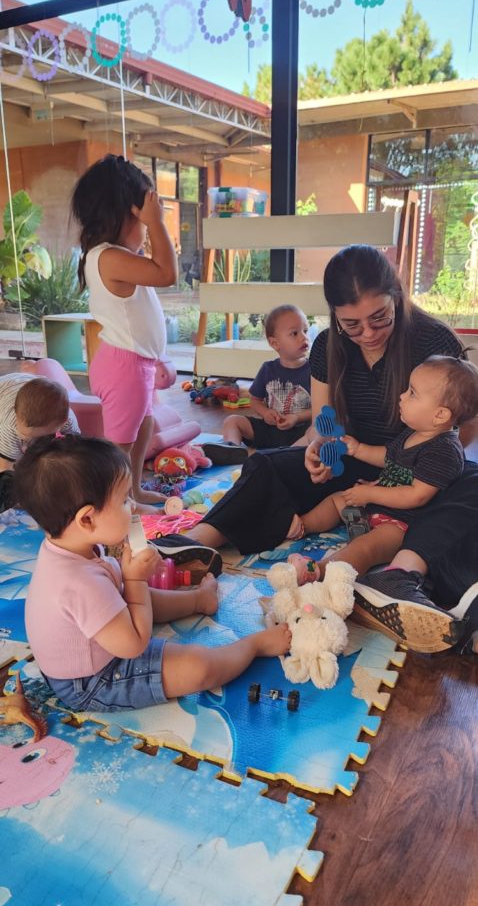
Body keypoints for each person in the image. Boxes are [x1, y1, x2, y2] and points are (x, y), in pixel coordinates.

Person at [185, 245, 478, 653]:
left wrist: (415, 473)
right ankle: (196, 541)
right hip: (356, 459)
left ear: (396, 295)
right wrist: (318, 450)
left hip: (418, 471)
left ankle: (404, 575)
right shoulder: (327, 346)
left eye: (380, 317)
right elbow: (325, 425)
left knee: (471, 485)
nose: (369, 333)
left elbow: (461, 428)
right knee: (267, 464)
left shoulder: (431, 338)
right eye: (352, 324)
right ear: (334, 315)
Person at [14, 435, 291, 714]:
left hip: (100, 643)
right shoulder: (79, 583)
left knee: (132, 595)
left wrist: (131, 581)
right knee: (199, 667)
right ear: (87, 519)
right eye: (124, 500)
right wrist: (135, 579)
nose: (133, 506)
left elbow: (120, 597)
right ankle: (254, 645)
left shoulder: (71, 546)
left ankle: (198, 600)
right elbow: (134, 644)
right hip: (92, 681)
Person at [288, 355, 478, 585]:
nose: (402, 396)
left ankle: (318, 571)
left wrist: (370, 494)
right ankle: (302, 525)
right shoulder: (414, 433)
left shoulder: (444, 450)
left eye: (412, 393)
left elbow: (417, 495)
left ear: (440, 415)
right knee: (336, 499)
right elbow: (388, 457)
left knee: (365, 547)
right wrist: (358, 449)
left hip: (401, 525)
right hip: (374, 508)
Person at [71, 153, 178, 507]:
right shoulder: (109, 257)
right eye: (143, 221)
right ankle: (114, 502)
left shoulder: (112, 255)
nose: (147, 229)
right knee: (120, 443)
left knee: (142, 426)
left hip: (135, 363)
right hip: (124, 366)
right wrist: (158, 224)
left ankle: (132, 490)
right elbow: (167, 273)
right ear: (121, 216)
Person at [202, 305, 311, 465]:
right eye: (295, 333)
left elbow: (321, 408)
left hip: (301, 432)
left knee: (318, 433)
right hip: (270, 430)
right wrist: (266, 413)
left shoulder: (315, 371)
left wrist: (296, 417)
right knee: (233, 420)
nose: (304, 337)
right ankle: (231, 448)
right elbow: (255, 400)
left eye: (306, 331)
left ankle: (285, 457)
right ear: (275, 343)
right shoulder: (268, 369)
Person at [0, 371, 79, 511]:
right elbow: (5, 468)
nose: (30, 442)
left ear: (62, 423)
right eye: (25, 436)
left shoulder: (69, 422)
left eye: (41, 437)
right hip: (4, 389)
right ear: (16, 414)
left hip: (28, 386)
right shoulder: (10, 426)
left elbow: (75, 454)